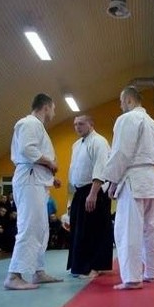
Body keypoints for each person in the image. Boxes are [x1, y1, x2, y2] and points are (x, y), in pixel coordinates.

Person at [103, 86, 154, 290]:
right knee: (150, 228)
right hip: (152, 178)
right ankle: (151, 272)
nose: (120, 106)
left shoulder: (128, 119)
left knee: (128, 228)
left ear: (128, 100)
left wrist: (111, 181)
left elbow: (121, 153)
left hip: (133, 177)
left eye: (121, 102)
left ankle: (132, 278)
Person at [4, 93, 63, 290]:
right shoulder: (28, 123)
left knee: (41, 229)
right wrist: (50, 162)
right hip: (29, 179)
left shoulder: (38, 127)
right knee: (29, 226)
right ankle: (14, 276)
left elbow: (34, 155)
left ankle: (38, 271)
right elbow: (27, 150)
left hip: (36, 180)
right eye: (53, 109)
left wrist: (50, 177)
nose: (54, 113)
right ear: (46, 107)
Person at [66, 115, 113, 278]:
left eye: (81, 123)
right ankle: (79, 265)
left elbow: (101, 167)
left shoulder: (99, 141)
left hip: (95, 190)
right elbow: (74, 171)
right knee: (79, 230)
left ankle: (95, 266)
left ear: (91, 124)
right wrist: (72, 196)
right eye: (75, 124)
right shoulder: (76, 145)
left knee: (94, 229)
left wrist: (93, 193)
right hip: (79, 191)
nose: (77, 127)